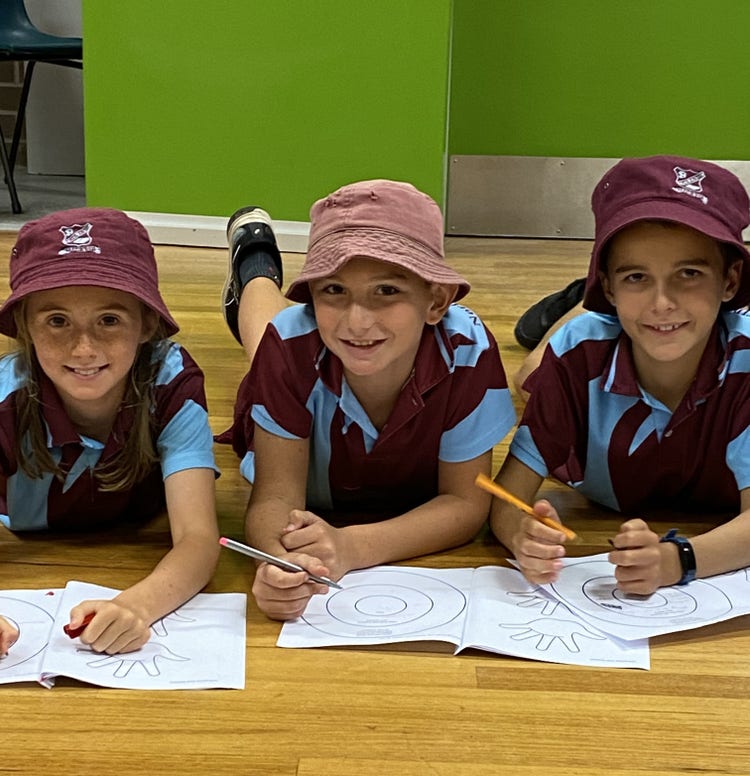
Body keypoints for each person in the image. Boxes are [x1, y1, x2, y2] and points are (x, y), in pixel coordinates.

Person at [218, 179, 516, 620]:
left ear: (437, 300)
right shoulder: (292, 342)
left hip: (312, 357)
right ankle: (254, 262)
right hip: (295, 350)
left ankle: (259, 264)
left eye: (387, 291)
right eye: (333, 290)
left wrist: (351, 546)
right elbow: (273, 499)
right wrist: (278, 562)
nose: (358, 322)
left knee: (285, 335)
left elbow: (468, 506)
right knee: (269, 336)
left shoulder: (468, 350)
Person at [490, 155, 750, 595]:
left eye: (689, 273)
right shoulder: (578, 355)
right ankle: (577, 300)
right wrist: (521, 533)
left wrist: (679, 559)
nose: (662, 301)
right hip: (593, 337)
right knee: (532, 372)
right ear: (608, 288)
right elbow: (505, 498)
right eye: (635, 277)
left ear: (730, 281)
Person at [0, 207, 220, 654]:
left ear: (149, 324)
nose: (84, 348)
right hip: (33, 548)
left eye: (109, 320)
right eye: (57, 320)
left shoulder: (171, 382)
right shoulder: (5, 398)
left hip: (137, 541)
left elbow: (198, 539)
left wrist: (137, 606)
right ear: (25, 326)